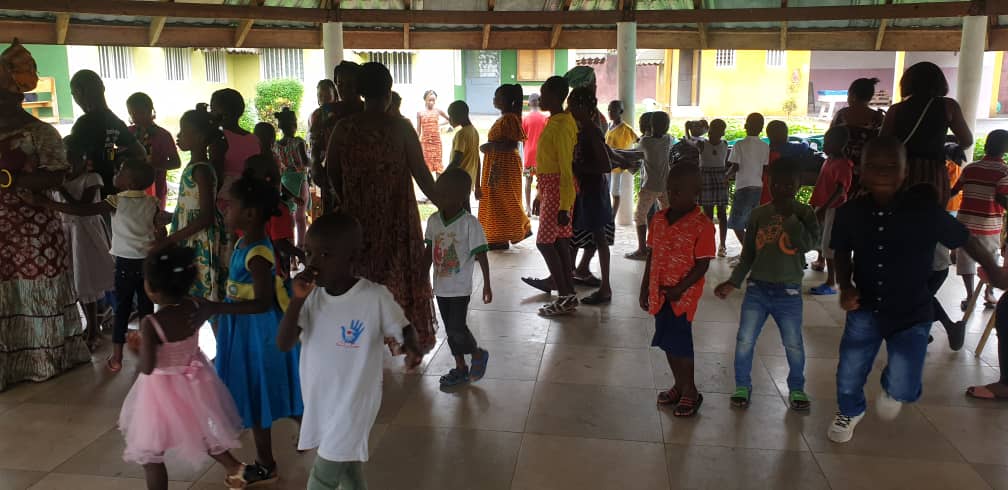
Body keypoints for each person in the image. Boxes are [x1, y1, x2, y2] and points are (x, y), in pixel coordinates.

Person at [827, 136, 1007, 444]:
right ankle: (849, 410)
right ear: (860, 170)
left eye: (891, 165)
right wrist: (845, 285)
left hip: (912, 311)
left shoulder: (925, 211)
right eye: (874, 165)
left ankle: (894, 387)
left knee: (904, 386)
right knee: (850, 370)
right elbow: (842, 252)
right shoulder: (849, 213)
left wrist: (994, 270)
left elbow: (966, 239)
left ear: (905, 171)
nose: (882, 171)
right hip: (865, 308)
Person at [277, 213, 422, 490]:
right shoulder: (311, 299)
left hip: (354, 405)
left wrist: (412, 347)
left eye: (325, 255)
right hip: (323, 402)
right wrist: (296, 301)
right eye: (309, 253)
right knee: (348, 472)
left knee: (323, 478)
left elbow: (404, 328)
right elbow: (284, 343)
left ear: (351, 257)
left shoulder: (374, 297)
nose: (313, 262)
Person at [195, 173, 303, 485]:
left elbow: (262, 302)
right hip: (244, 329)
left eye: (231, 206)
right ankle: (275, 456)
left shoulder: (258, 253)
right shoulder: (245, 242)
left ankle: (275, 458)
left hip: (258, 332)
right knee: (260, 393)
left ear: (251, 214)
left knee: (260, 393)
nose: (225, 210)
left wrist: (216, 308)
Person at [327, 62, 440, 352]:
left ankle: (360, 341)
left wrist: (347, 198)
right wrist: (446, 205)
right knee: (397, 278)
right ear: (389, 92)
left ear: (361, 92)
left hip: (358, 222)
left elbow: (331, 171)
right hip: (397, 220)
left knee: (362, 279)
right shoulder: (400, 128)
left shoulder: (344, 128)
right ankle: (403, 338)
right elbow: (423, 176)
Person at [118, 245, 248, 490]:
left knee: (151, 453)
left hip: (160, 392)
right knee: (199, 428)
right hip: (194, 383)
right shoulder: (195, 305)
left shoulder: (152, 323)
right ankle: (235, 468)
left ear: (153, 289)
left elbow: (148, 367)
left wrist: (136, 349)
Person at [0, 40, 90, 391]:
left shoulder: (40, 132)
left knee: (34, 292)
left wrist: (11, 180)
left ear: (14, 94)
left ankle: (42, 360)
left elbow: (56, 175)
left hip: (32, 230)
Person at [28, 160, 161, 374]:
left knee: (122, 309)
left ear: (130, 182)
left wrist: (47, 203)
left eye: (121, 170)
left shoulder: (116, 201)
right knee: (146, 309)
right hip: (147, 262)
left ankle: (117, 357)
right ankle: (147, 353)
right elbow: (158, 228)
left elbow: (82, 210)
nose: (116, 172)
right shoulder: (153, 202)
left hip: (125, 264)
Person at [714, 158, 818, 412]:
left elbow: (808, 245)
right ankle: (742, 385)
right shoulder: (759, 214)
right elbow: (748, 255)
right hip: (757, 290)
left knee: (793, 344)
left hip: (789, 292)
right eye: (777, 184)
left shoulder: (805, 213)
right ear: (768, 183)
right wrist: (733, 282)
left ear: (798, 186)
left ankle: (796, 388)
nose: (783, 189)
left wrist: (790, 219)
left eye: (789, 185)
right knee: (745, 340)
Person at [639, 163, 715, 417]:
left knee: (681, 344)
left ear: (696, 193)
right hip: (659, 294)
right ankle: (679, 385)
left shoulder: (703, 225)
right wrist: (644, 287)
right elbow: (652, 255)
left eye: (680, 191)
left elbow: (703, 264)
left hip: (683, 297)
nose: (673, 194)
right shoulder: (659, 219)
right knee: (667, 341)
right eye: (670, 189)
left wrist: (680, 288)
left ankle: (690, 390)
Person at [424, 169, 492, 387]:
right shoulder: (433, 221)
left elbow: (482, 255)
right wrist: (421, 277)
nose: (439, 199)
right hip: (441, 287)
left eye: (444, 194)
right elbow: (428, 252)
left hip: (460, 288)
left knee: (457, 328)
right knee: (450, 331)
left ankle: (477, 354)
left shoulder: (469, 223)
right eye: (438, 194)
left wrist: (487, 285)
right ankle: (460, 367)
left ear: (461, 197)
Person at [154, 104, 225, 303]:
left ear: (200, 137)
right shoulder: (194, 167)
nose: (178, 136)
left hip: (199, 239)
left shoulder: (201, 170)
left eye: (183, 132)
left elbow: (206, 217)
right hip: (191, 235)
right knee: (192, 292)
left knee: (202, 294)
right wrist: (174, 216)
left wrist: (169, 240)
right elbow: (193, 207)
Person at [881, 61, 973, 207]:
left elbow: (883, 144)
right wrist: (950, 147)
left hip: (903, 172)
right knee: (933, 216)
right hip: (934, 173)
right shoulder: (949, 106)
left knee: (901, 215)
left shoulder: (895, 110)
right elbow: (967, 140)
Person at [54, 136, 115, 351]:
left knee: (86, 278)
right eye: (65, 158)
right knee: (76, 280)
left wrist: (61, 189)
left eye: (73, 158)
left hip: (84, 232)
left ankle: (94, 328)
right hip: (66, 231)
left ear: (84, 158)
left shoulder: (92, 178)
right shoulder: (59, 179)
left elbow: (81, 207)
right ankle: (92, 324)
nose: (68, 163)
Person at [529, 76, 578, 317]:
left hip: (559, 190)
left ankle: (565, 294)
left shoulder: (562, 125)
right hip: (551, 188)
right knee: (559, 242)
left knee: (545, 242)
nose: (541, 98)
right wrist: (540, 193)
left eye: (545, 93)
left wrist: (564, 207)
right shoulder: (556, 121)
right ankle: (568, 295)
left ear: (558, 96)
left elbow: (566, 168)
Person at [568, 87, 615, 305]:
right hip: (586, 190)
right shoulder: (583, 129)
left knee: (599, 238)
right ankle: (575, 274)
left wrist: (578, 168)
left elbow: (605, 165)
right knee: (581, 237)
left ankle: (605, 288)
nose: (569, 110)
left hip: (594, 192)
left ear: (582, 107)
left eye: (572, 106)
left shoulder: (591, 131)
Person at [952, 129, 1008, 313]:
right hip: (988, 224)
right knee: (990, 259)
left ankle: (970, 296)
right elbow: (1001, 197)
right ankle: (988, 293)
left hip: (965, 222)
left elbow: (955, 190)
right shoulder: (1004, 171)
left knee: (966, 259)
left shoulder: (970, 168)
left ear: (986, 146)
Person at [67, 69, 146, 199]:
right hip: (111, 188)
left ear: (79, 92)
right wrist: (112, 157)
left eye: (73, 94)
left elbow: (71, 160)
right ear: (102, 88)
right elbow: (140, 152)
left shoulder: (84, 123)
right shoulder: (115, 121)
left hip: (89, 192)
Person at [479, 84, 531, 249]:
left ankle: (521, 228)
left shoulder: (509, 119)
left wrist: (490, 147)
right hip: (498, 165)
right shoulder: (505, 118)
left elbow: (511, 145)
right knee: (497, 200)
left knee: (506, 198)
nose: (494, 99)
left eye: (497, 96)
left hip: (504, 166)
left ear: (506, 100)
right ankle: (499, 237)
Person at [809, 126, 854, 296]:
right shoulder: (829, 160)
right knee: (823, 241)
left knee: (829, 245)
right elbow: (822, 185)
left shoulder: (842, 164)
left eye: (828, 142)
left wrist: (824, 208)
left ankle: (831, 282)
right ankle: (824, 268)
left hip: (835, 209)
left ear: (839, 144)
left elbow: (840, 191)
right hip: (825, 207)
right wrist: (816, 205)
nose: (825, 145)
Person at [621, 111, 672, 261]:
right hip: (666, 186)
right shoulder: (668, 139)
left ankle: (642, 249)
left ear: (650, 125)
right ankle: (666, 248)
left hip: (650, 186)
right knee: (668, 217)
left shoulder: (645, 142)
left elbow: (632, 156)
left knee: (640, 216)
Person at [245, 154, 304, 280]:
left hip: (245, 269)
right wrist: (300, 254)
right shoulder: (277, 208)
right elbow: (280, 243)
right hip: (271, 271)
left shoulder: (244, 205)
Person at [210, 88, 261, 217]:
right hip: (250, 199)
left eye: (213, 109)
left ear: (223, 113)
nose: (210, 114)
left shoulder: (219, 139)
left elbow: (215, 175)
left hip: (225, 201)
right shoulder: (254, 139)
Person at [126, 92, 180, 209]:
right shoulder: (128, 132)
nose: (134, 116)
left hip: (156, 190)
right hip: (130, 191)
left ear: (150, 110)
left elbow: (176, 162)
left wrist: (152, 166)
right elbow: (117, 154)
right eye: (131, 113)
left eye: (138, 112)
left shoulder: (163, 135)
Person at [726, 113, 770, 258]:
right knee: (751, 224)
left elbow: (735, 167)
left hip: (743, 187)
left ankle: (749, 252)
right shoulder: (765, 146)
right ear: (761, 129)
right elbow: (765, 167)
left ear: (745, 126)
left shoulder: (739, 144)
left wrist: (725, 176)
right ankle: (752, 251)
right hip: (758, 187)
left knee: (736, 223)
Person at [831, 77, 885, 191]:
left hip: (841, 169)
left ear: (853, 95)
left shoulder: (841, 115)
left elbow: (830, 138)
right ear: (870, 97)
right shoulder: (878, 118)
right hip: (867, 169)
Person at [274, 107, 311, 247]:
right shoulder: (298, 142)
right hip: (299, 179)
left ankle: (291, 253)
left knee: (290, 218)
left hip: (285, 182)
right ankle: (300, 248)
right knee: (301, 218)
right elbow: (305, 162)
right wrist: (315, 162)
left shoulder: (276, 145)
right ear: (294, 125)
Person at [698, 119, 730, 257]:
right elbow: (689, 140)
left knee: (721, 214)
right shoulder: (702, 144)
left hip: (720, 178)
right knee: (708, 215)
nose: (718, 134)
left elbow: (726, 162)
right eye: (714, 130)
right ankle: (710, 244)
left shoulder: (725, 144)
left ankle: (722, 245)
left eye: (720, 131)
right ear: (709, 131)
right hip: (707, 179)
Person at [605, 100, 639, 217]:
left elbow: (638, 141)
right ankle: (608, 215)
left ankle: (612, 217)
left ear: (621, 111)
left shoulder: (626, 128)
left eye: (613, 110)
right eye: (609, 110)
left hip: (618, 165)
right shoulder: (609, 127)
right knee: (607, 190)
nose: (610, 112)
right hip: (607, 163)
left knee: (615, 192)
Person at [446, 100, 480, 211]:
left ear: (459, 116)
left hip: (459, 181)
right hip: (468, 180)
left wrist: (443, 177)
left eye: (451, 116)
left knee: (459, 212)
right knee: (465, 209)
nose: (449, 119)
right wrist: (477, 185)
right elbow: (477, 160)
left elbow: (456, 160)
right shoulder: (474, 131)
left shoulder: (461, 134)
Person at [523, 93, 548, 217]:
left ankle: (528, 208)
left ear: (528, 103)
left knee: (528, 181)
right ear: (539, 102)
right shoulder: (545, 119)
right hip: (541, 156)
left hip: (529, 155)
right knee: (542, 182)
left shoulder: (525, 119)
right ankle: (540, 207)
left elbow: (522, 138)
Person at [417, 89, 450, 179]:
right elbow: (418, 131)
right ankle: (429, 185)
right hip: (425, 143)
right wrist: (416, 141)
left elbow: (449, 120)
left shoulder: (438, 111)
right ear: (425, 99)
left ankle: (439, 185)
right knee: (426, 166)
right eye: (429, 100)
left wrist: (439, 124)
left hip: (437, 142)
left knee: (438, 165)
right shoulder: (420, 113)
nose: (431, 102)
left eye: (433, 100)